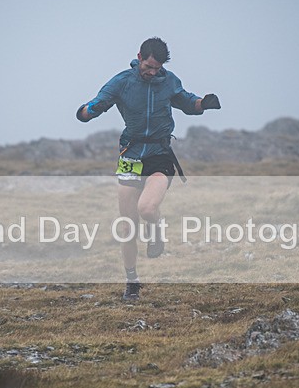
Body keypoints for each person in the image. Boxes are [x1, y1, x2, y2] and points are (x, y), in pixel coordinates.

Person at [76, 37, 221, 300]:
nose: (153, 73)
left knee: (147, 208)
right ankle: (132, 280)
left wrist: (203, 103)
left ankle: (156, 230)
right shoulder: (122, 82)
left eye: (158, 68)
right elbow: (99, 103)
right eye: (150, 67)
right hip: (130, 154)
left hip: (159, 153)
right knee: (127, 226)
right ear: (140, 57)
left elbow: (187, 102)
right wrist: (85, 112)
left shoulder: (168, 81)